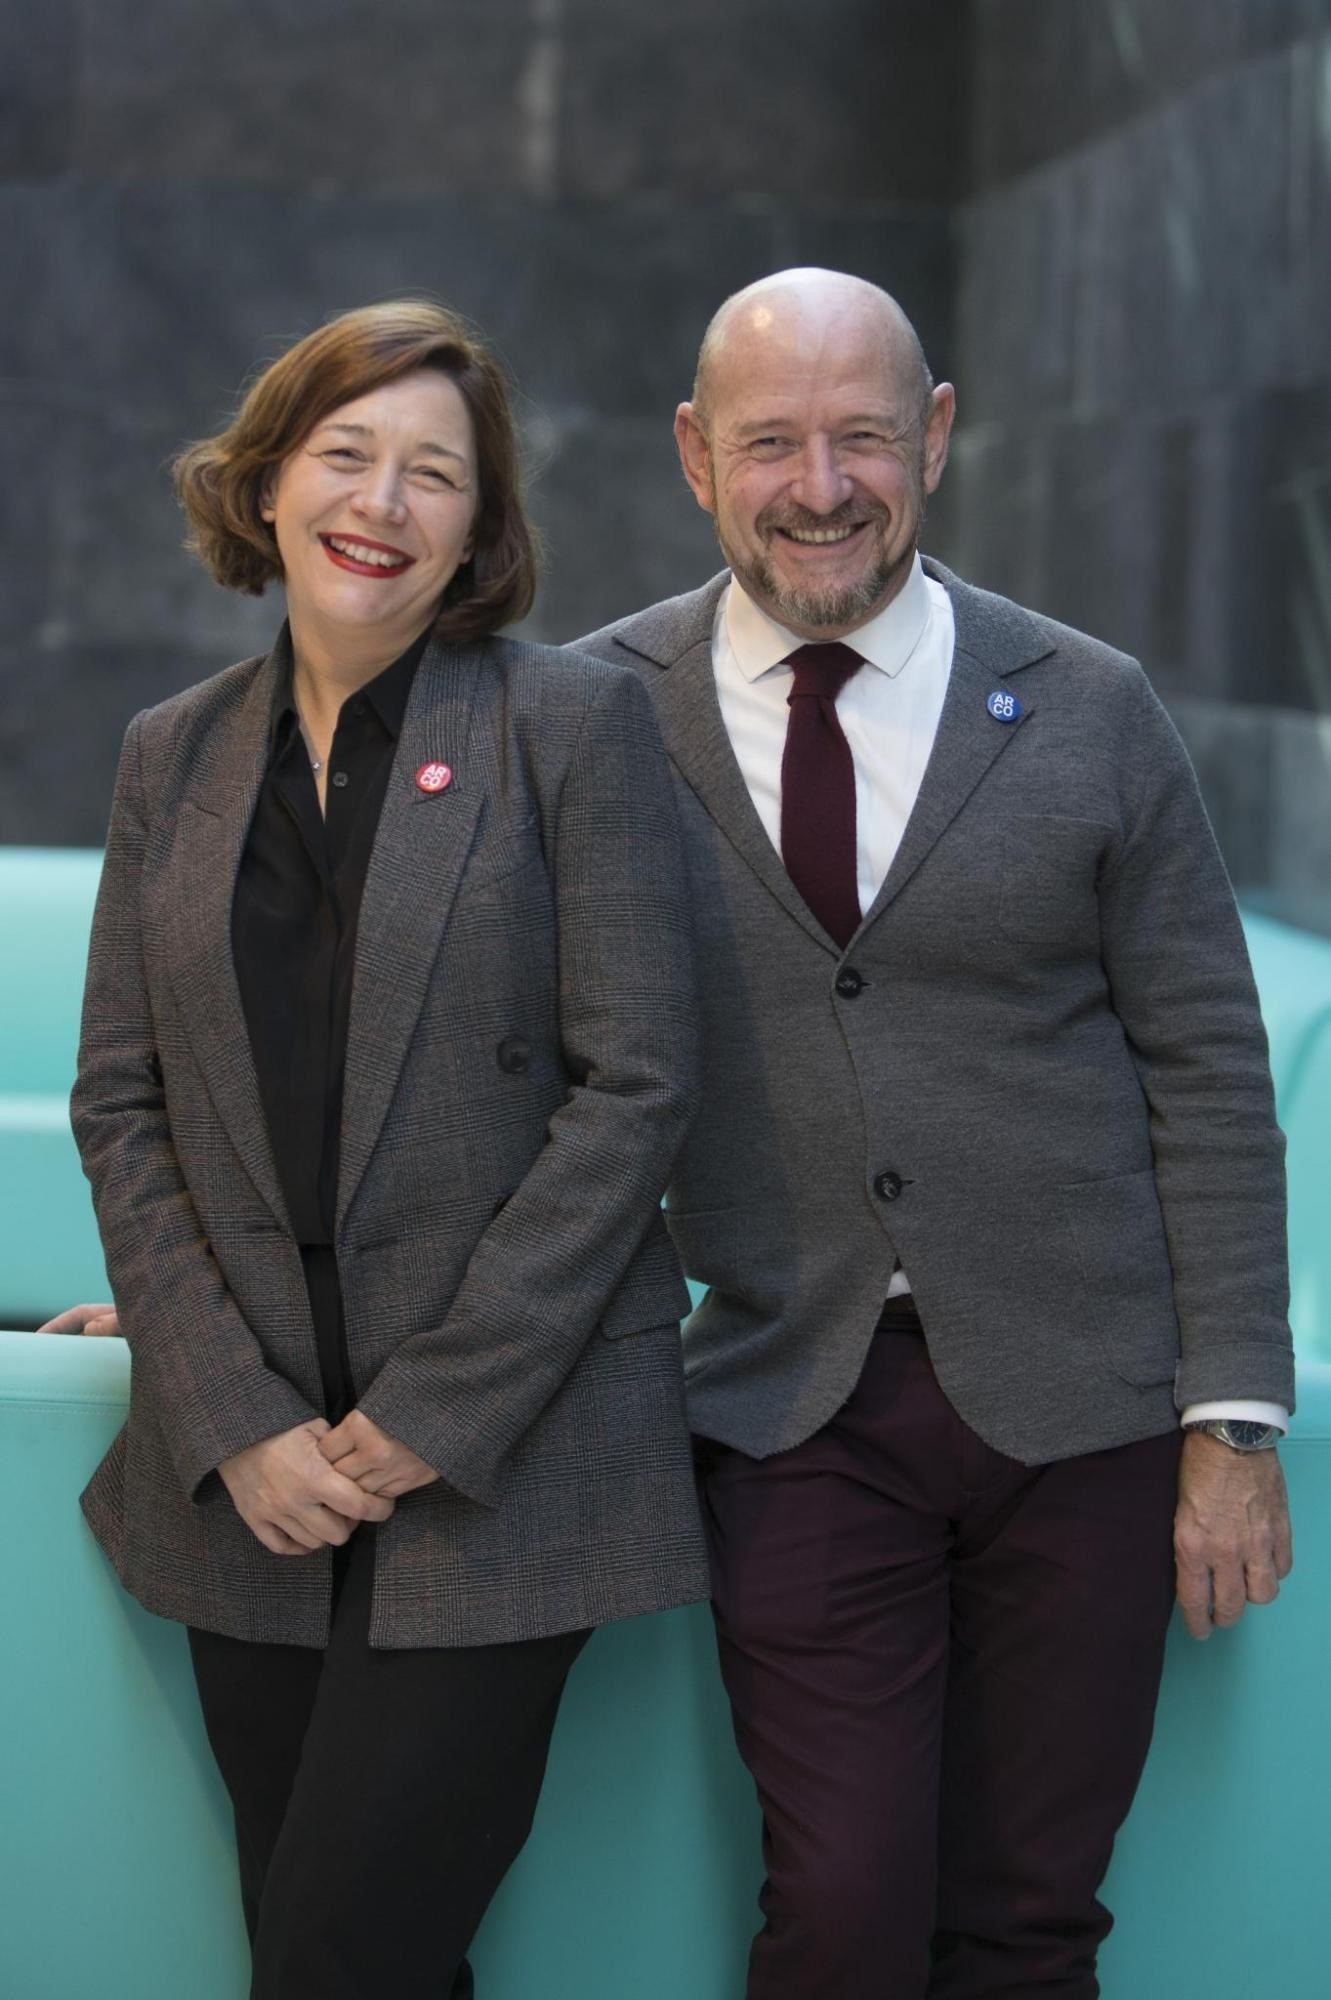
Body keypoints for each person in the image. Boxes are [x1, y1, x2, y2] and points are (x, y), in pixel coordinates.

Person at [571, 267, 1295, 1998]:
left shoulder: (1093, 702)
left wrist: (1235, 1423)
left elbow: (1206, 1062)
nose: (822, 484)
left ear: (939, 438)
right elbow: (489, 1065)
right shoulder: (592, 716)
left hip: (1090, 1411)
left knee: (1033, 1922)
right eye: (772, 442)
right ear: (693, 456)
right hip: (793, 1403)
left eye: (866, 437)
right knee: (839, 1908)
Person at [69, 298, 707, 2000]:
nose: (386, 499)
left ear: (482, 529)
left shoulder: (570, 726)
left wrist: (433, 1415)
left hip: (504, 1463)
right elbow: (120, 1104)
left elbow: (636, 1087)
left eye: (438, 472)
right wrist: (228, 1410)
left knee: (335, 1959)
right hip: (252, 1479)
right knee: (342, 1950)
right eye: (347, 452)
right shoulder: (171, 759)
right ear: (269, 482)